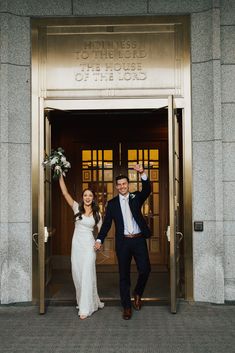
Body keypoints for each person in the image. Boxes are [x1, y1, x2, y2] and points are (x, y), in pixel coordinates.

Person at [94, 164, 151, 320]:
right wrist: (99, 238)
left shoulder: (136, 197)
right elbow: (106, 224)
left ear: (128, 185)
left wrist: (143, 173)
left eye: (124, 184)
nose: (122, 187)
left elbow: (147, 190)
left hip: (138, 239)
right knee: (124, 275)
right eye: (119, 185)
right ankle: (126, 306)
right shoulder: (112, 204)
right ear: (116, 187)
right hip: (123, 243)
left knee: (145, 269)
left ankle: (138, 293)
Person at [59, 174, 104, 320]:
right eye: (85, 195)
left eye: (90, 195)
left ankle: (85, 308)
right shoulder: (76, 208)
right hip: (77, 245)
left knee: (86, 274)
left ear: (93, 198)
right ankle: (83, 301)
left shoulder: (97, 214)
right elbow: (65, 192)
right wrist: (60, 174)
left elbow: (102, 231)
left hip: (89, 247)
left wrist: (98, 242)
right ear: (83, 197)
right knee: (78, 274)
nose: (88, 197)